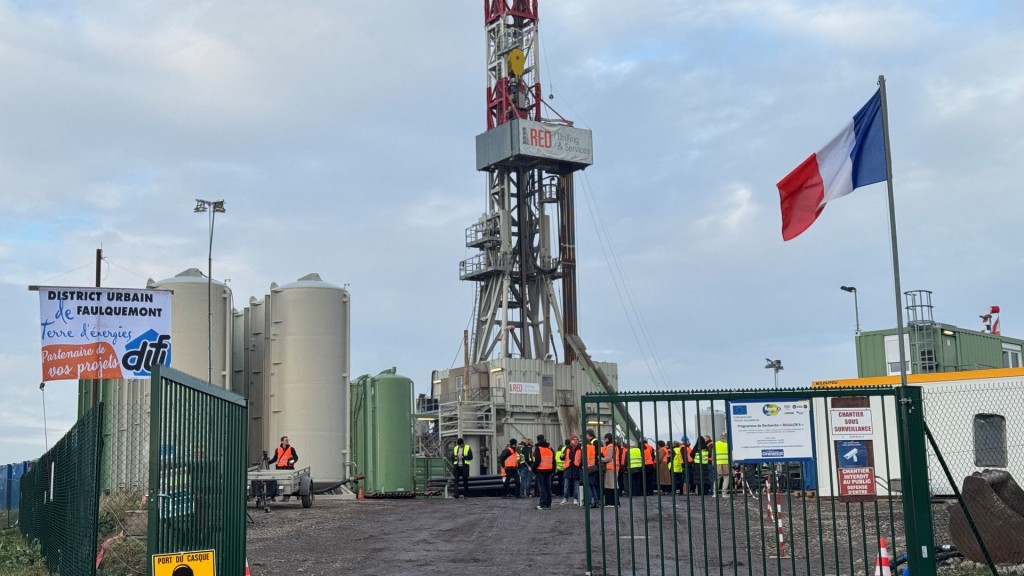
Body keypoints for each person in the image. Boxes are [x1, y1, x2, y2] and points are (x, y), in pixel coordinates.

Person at [268, 435, 298, 501]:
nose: (287, 441)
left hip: (288, 468)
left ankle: (286, 497)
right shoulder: (278, 449)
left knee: (287, 483)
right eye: (286, 440)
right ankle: (273, 496)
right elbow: (275, 458)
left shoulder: (291, 449)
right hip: (279, 468)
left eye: (288, 440)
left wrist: (293, 461)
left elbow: (296, 457)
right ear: (282, 441)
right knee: (279, 482)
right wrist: (268, 462)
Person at [532, 434, 554, 509]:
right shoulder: (550, 448)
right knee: (548, 487)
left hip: (540, 471)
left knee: (542, 488)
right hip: (549, 470)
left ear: (537, 440)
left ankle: (542, 504)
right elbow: (553, 460)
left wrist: (533, 468)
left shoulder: (538, 448)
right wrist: (553, 470)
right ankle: (548, 504)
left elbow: (538, 460)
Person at [560, 435, 582, 505]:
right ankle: (565, 498)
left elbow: (582, 459)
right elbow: (562, 458)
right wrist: (561, 456)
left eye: (576, 439)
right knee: (566, 485)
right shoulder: (567, 448)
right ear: (571, 440)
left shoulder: (580, 449)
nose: (575, 440)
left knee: (576, 486)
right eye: (574, 439)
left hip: (576, 468)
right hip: (568, 468)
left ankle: (575, 499)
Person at [601, 433, 619, 507]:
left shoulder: (609, 447)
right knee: (613, 485)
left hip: (610, 468)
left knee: (610, 485)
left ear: (607, 439)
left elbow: (609, 458)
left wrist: (601, 459)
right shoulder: (614, 446)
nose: (604, 440)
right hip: (615, 467)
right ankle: (615, 502)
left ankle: (611, 503)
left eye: (605, 438)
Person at [584, 429, 601, 508]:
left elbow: (585, 458)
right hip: (594, 467)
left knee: (588, 485)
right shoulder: (593, 445)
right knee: (593, 485)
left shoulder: (586, 447)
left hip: (588, 468)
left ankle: (589, 502)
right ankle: (596, 502)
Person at [714, 432, 731, 497]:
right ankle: (724, 493)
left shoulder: (716, 443)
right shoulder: (728, 444)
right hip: (726, 462)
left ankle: (715, 493)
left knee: (717, 478)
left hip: (718, 463)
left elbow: (713, 454)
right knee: (726, 478)